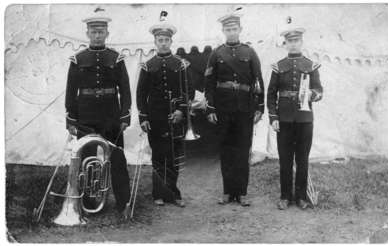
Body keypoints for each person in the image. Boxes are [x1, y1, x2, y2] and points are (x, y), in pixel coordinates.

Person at [65, 10, 132, 218]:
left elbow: (125, 89)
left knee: (118, 159)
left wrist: (124, 116)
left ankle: (124, 204)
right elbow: (71, 90)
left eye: (101, 31)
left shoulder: (116, 58)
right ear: (87, 33)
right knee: (86, 159)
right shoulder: (78, 59)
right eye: (93, 32)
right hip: (86, 117)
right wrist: (71, 118)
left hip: (111, 116)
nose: (97, 35)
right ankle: (86, 204)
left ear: (107, 33)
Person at [204, 13, 265, 206]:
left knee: (243, 149)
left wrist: (260, 107)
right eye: (227, 29)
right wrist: (211, 108)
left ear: (240, 30)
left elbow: (258, 81)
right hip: (223, 108)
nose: (231, 32)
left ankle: (242, 192)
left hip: (244, 108)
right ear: (223, 31)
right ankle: (228, 192)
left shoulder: (250, 52)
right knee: (226, 149)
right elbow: (209, 83)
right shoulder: (216, 53)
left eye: (234, 29)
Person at [136, 14, 194, 207]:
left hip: (175, 118)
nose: (163, 43)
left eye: (166, 40)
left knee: (174, 156)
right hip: (155, 118)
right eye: (159, 40)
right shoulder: (147, 65)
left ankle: (174, 194)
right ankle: (158, 194)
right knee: (158, 156)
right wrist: (143, 117)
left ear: (171, 41)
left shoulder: (181, 64)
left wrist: (181, 112)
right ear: (155, 41)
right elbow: (140, 94)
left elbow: (189, 91)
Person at [267, 27, 323, 210]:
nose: (293, 44)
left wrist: (310, 94)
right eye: (290, 41)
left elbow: (319, 90)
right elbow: (271, 94)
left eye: (296, 41)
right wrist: (273, 117)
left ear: (301, 42)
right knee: (285, 159)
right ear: (286, 44)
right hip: (283, 119)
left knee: (302, 159)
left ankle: (300, 197)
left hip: (304, 119)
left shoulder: (311, 65)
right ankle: (285, 196)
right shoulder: (278, 66)